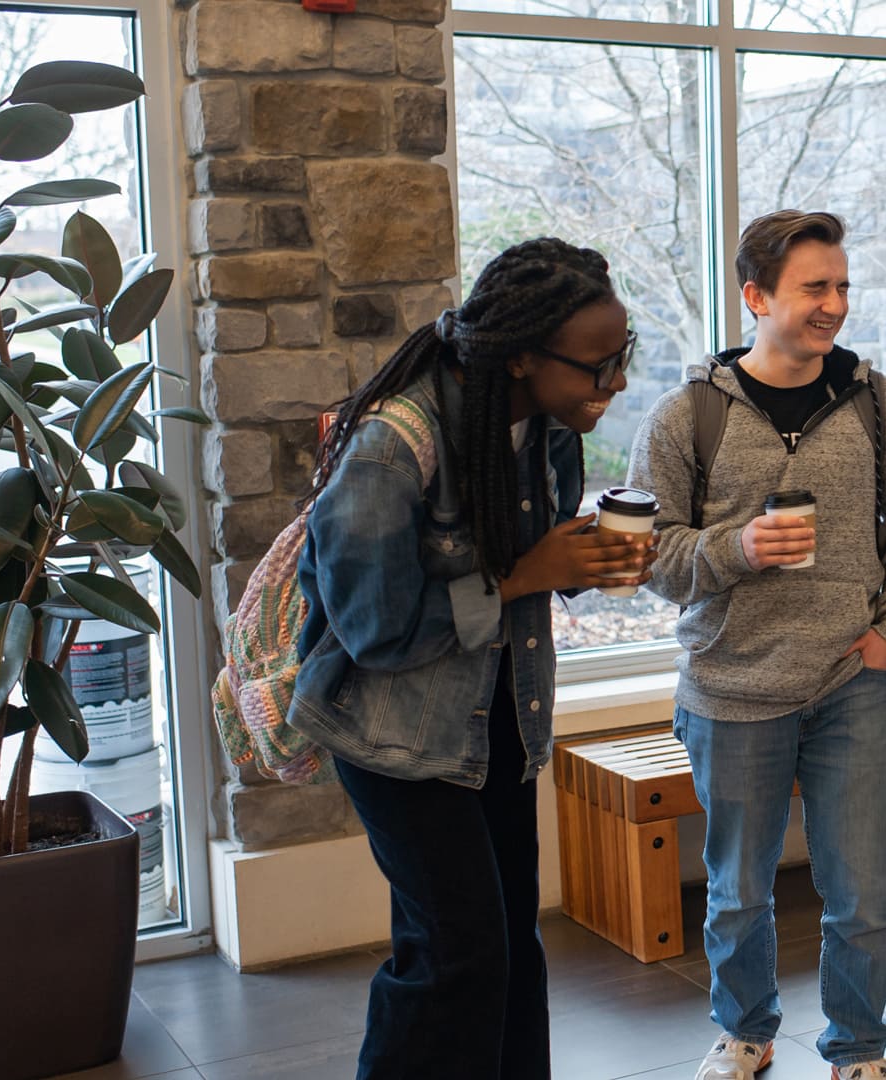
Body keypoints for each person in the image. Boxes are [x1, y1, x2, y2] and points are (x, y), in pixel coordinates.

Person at [290, 238, 648, 1079]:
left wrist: (587, 561)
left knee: (509, 950)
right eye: (597, 367)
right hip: (399, 741)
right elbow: (375, 630)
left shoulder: (542, 425)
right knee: (453, 959)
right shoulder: (390, 448)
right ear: (521, 354)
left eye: (620, 360)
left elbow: (532, 559)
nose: (615, 385)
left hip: (500, 728)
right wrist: (531, 572)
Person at [628, 210, 886, 1080]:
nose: (835, 304)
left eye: (842, 286)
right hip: (730, 691)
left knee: (864, 897)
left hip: (852, 682)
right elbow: (651, 554)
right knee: (737, 896)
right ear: (757, 296)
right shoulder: (686, 416)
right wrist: (737, 548)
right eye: (815, 287)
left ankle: (858, 1050)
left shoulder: (884, 406)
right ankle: (746, 1034)